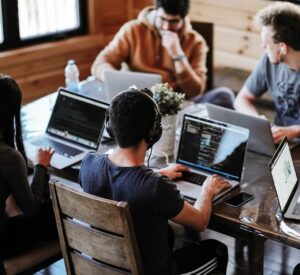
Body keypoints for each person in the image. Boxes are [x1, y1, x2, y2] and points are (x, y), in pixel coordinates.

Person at [80, 88, 231, 274]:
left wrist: (156, 173)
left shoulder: (88, 163)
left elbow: (121, 181)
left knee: (166, 234)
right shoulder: (155, 187)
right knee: (217, 250)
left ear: (111, 126)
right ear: (154, 132)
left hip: (105, 265)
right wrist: (207, 191)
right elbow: (200, 222)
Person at [91, 0, 234, 108]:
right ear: (156, 10)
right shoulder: (132, 30)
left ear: (183, 18)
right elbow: (101, 62)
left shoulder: (196, 42)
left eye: (174, 21)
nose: (166, 27)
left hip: (174, 106)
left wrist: (178, 55)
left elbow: (195, 92)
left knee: (224, 96)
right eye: (162, 19)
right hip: (136, 101)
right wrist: (113, 78)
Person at [0, 75, 57, 273]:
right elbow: (31, 208)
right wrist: (41, 165)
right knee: (54, 212)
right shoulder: (8, 156)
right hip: (4, 244)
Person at [234, 2, 300, 144]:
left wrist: (294, 131)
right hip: (280, 144)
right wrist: (255, 119)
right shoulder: (268, 61)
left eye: (266, 43)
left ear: (282, 48)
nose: (263, 46)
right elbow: (242, 99)